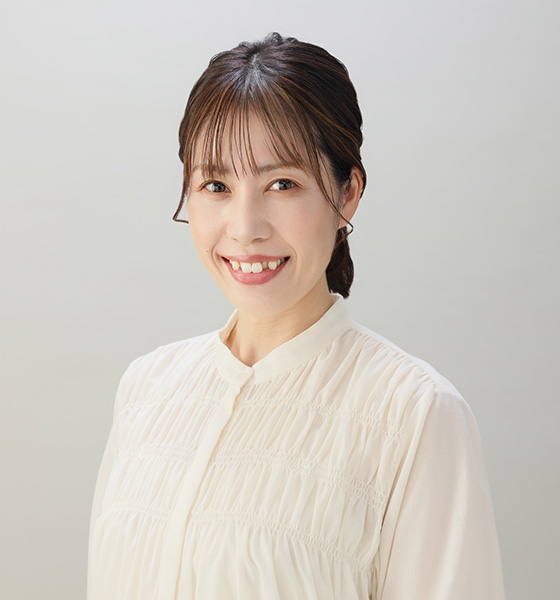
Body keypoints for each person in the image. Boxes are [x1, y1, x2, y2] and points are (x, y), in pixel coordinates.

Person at [87, 32, 505, 599]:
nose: (245, 228)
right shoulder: (146, 391)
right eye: (215, 185)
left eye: (282, 184)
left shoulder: (413, 414)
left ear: (347, 193)